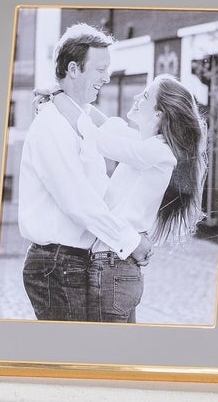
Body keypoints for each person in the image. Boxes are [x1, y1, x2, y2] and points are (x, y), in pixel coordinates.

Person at [16, 23, 145, 321]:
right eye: (100, 68)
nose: (107, 77)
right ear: (74, 69)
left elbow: (120, 135)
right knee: (74, 360)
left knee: (90, 358)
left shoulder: (80, 119)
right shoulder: (51, 126)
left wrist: (58, 94)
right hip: (57, 264)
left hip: (73, 261)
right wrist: (130, 242)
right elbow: (78, 202)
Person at [68, 75, 210, 321]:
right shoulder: (148, 146)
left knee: (104, 353)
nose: (136, 97)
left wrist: (59, 98)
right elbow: (105, 125)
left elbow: (98, 139)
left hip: (112, 265)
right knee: (117, 353)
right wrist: (69, 97)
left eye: (145, 96)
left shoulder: (158, 152)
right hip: (116, 265)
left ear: (159, 115)